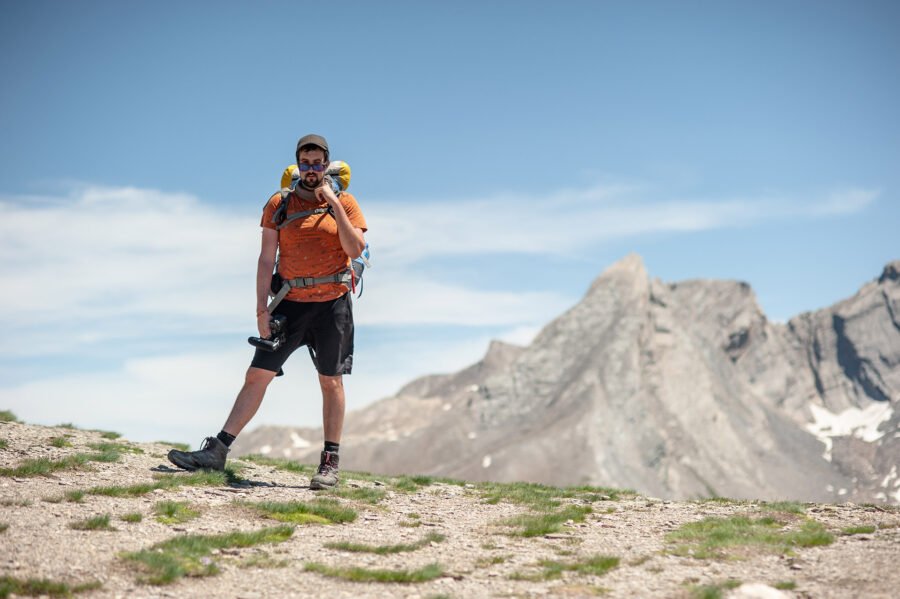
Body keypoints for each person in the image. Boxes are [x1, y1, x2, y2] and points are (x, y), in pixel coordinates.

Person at [167, 134, 368, 489]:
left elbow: (354, 249)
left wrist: (334, 204)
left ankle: (329, 464)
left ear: (327, 165)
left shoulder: (346, 203)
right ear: (296, 165)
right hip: (288, 305)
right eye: (305, 163)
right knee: (257, 375)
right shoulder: (279, 203)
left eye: (317, 163)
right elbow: (265, 259)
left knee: (331, 381)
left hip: (332, 304)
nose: (311, 169)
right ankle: (217, 451)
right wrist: (261, 309)